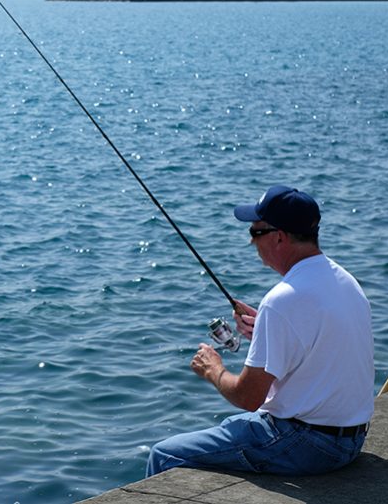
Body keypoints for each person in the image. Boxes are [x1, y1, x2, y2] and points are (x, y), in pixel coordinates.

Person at [145, 185, 374, 477]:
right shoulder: (345, 281)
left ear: (279, 236)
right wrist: (264, 331)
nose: (251, 242)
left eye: (255, 233)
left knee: (164, 454)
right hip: (351, 439)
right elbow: (323, 348)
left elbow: (248, 398)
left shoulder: (282, 300)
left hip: (308, 445)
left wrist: (212, 370)